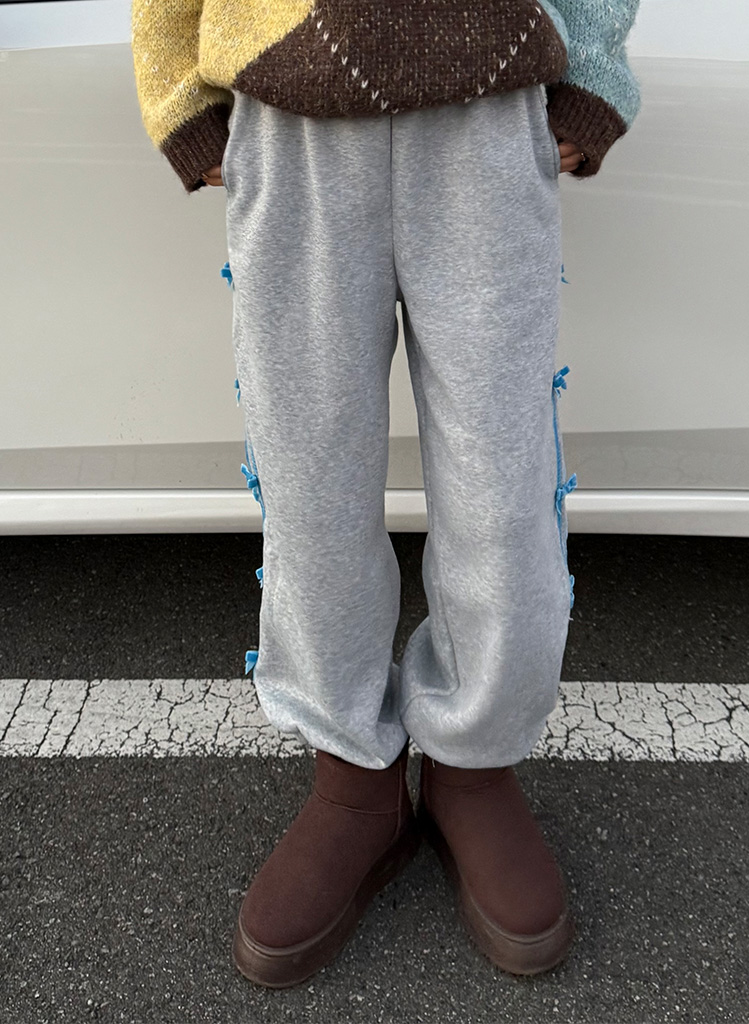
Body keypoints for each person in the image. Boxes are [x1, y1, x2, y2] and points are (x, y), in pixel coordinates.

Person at [131, 0, 641, 988]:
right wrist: (179, 91)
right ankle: (353, 780)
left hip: (488, 109)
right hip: (290, 113)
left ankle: (472, 768)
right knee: (309, 482)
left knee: (501, 486)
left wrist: (590, 71)